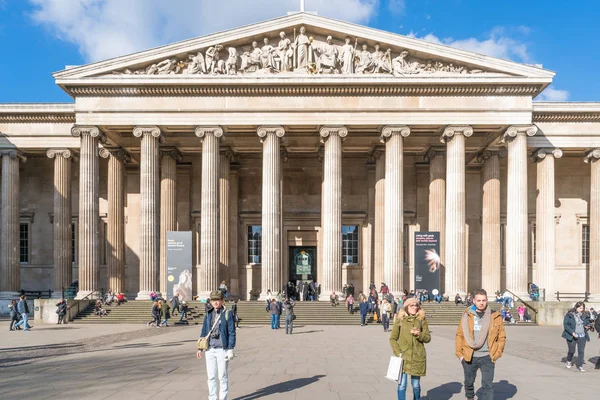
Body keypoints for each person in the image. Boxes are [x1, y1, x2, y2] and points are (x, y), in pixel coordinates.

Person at [456, 289, 506, 400]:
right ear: (474, 300)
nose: (481, 303)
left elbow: (501, 336)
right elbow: (459, 335)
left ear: (487, 300)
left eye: (484, 300)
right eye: (479, 300)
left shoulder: (495, 316)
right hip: (470, 356)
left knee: (488, 385)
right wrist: (460, 354)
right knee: (469, 382)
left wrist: (497, 353)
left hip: (488, 356)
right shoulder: (467, 315)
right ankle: (470, 397)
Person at [197, 290, 236, 400]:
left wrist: (230, 349)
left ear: (222, 301)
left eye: (218, 300)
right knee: (211, 377)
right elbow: (204, 331)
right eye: (213, 300)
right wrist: (200, 348)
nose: (215, 302)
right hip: (209, 349)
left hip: (222, 350)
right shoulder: (208, 314)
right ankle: (212, 398)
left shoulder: (227, 314)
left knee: (222, 377)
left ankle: (223, 398)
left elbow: (232, 332)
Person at [389, 297, 431, 400]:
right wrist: (398, 352)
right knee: (402, 385)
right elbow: (393, 338)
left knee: (416, 385)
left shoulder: (421, 319)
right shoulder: (400, 320)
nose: (415, 307)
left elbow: (428, 338)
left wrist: (419, 334)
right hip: (403, 357)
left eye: (416, 305)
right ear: (407, 307)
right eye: (412, 305)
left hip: (417, 357)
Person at [562, 301, 590, 372]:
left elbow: (587, 323)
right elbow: (566, 325)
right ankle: (569, 360)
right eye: (580, 308)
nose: (582, 309)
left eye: (582, 308)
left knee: (581, 351)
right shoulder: (570, 314)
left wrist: (587, 326)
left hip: (582, 335)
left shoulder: (585, 315)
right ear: (576, 307)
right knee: (572, 350)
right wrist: (572, 333)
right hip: (572, 335)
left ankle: (580, 366)